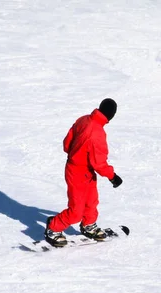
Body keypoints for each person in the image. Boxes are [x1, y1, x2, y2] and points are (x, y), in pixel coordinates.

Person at [45, 98, 123, 247]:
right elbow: (99, 163)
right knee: (76, 211)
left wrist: (75, 153)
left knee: (91, 201)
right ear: (111, 115)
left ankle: (89, 224)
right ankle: (53, 228)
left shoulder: (84, 119)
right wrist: (113, 177)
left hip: (84, 170)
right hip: (77, 172)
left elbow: (67, 143)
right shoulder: (97, 134)